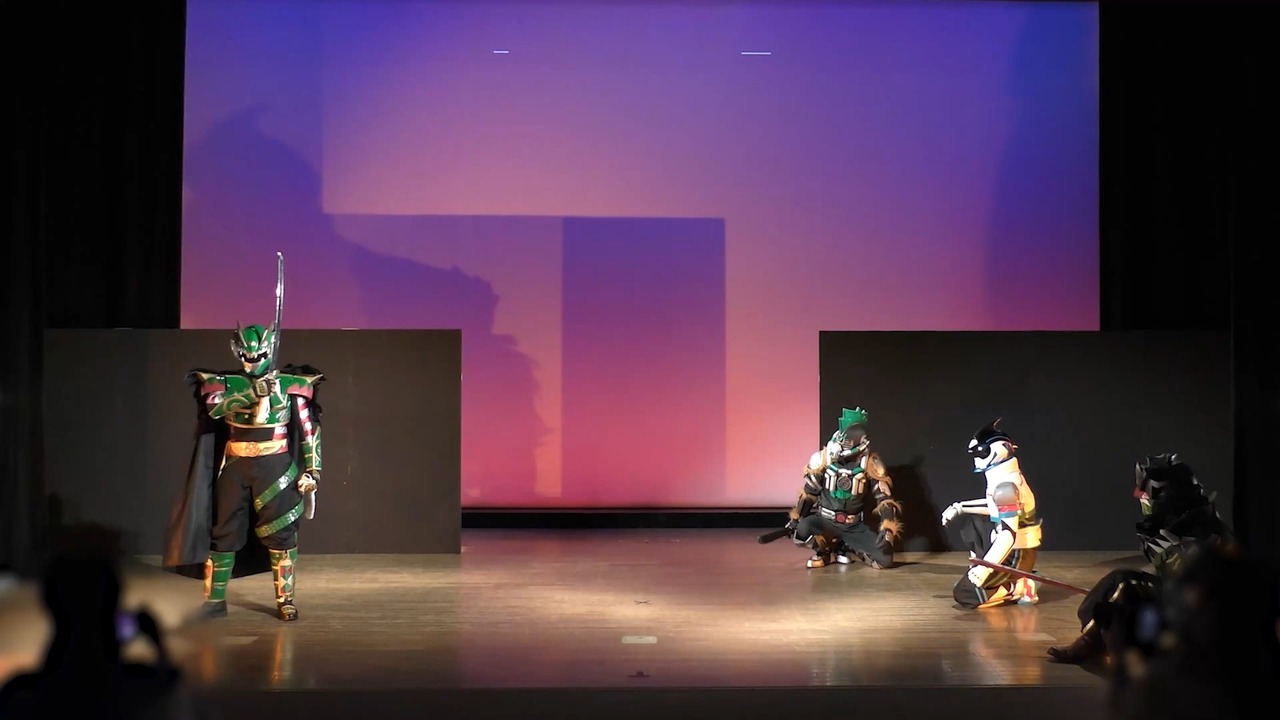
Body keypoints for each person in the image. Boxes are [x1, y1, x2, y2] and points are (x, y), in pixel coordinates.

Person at [163, 253, 323, 621]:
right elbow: (215, 411)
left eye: (259, 355)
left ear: (269, 349)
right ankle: (214, 601)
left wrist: (313, 470)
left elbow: (308, 428)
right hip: (235, 465)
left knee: (282, 536)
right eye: (247, 355)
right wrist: (253, 394)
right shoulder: (223, 384)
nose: (253, 361)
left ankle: (285, 600)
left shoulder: (291, 385)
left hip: (276, 466)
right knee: (224, 533)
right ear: (238, 352)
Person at [1047, 453, 1232, 664]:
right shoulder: (1182, 522)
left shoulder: (1199, 529)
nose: (1141, 499)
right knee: (1119, 600)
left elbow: (1194, 583)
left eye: (1145, 495)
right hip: (1185, 607)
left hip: (1202, 620)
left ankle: (1090, 645)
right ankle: (1104, 648)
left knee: (1122, 583)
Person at [0, 526, 192, 719]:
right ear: (114, 603)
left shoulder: (19, 693)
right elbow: (169, 677)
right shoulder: (140, 687)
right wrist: (157, 644)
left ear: (50, 604)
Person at [940, 418, 1042, 608]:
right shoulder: (1004, 480)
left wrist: (984, 569)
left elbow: (1008, 535)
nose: (976, 458)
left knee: (964, 593)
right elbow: (994, 505)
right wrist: (959, 507)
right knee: (973, 523)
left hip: (1017, 555)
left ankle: (1021, 586)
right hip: (1011, 549)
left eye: (980, 452)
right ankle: (990, 579)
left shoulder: (1006, 486)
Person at [787, 407, 902, 569]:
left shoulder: (871, 464)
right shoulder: (823, 459)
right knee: (802, 530)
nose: (845, 442)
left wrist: (887, 528)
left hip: (853, 526)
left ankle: (849, 547)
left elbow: (884, 500)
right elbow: (809, 493)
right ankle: (825, 552)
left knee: (884, 560)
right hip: (825, 520)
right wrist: (796, 519)